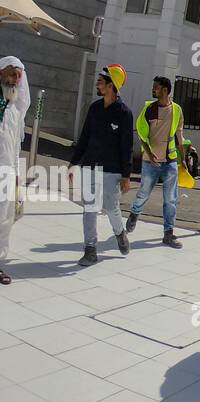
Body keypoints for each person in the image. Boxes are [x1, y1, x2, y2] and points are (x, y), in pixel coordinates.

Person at [69, 65, 134, 267]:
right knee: (89, 207)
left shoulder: (124, 113)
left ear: (111, 85)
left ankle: (120, 233)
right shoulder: (94, 108)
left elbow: (127, 146)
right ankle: (90, 250)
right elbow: (85, 137)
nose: (97, 84)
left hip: (112, 170)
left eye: (101, 82)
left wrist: (126, 175)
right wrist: (73, 163)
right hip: (90, 165)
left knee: (111, 208)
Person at [125, 76, 185, 249]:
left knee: (171, 199)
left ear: (165, 90)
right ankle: (134, 215)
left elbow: (179, 137)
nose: (153, 90)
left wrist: (183, 160)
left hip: (170, 161)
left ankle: (168, 234)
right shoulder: (149, 109)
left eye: (156, 87)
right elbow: (141, 135)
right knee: (143, 193)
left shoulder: (177, 110)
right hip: (150, 161)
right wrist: (149, 154)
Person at [0, 57, 30, 285]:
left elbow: (16, 147)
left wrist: (18, 179)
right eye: (12, 73)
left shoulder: (14, 110)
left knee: (4, 220)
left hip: (6, 174)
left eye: (19, 75)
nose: (16, 79)